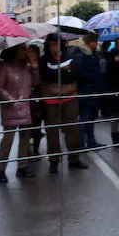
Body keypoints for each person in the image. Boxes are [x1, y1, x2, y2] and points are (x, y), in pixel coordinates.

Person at [39, 34, 87, 173]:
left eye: (57, 44)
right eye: (52, 44)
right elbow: (45, 75)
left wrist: (61, 72)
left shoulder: (71, 58)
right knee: (52, 130)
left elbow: (75, 75)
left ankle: (74, 158)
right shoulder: (44, 60)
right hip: (51, 98)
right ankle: (54, 160)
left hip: (69, 97)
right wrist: (61, 70)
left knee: (72, 128)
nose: (54, 47)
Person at [0, 44, 38, 183]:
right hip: (11, 107)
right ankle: (1, 170)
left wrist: (35, 66)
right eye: (22, 48)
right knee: (8, 139)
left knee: (25, 138)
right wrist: (11, 100)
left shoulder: (27, 67)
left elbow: (36, 83)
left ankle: (22, 166)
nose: (25, 51)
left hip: (25, 106)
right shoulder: (4, 66)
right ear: (14, 50)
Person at [72, 32, 105, 149]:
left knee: (91, 117)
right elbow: (80, 72)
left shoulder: (92, 54)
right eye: (94, 42)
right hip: (85, 89)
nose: (96, 44)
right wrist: (93, 77)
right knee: (85, 117)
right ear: (89, 42)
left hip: (93, 89)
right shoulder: (81, 54)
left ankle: (91, 141)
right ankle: (81, 143)